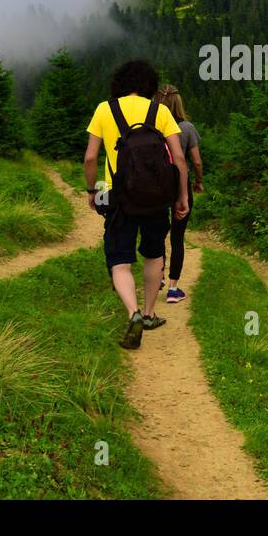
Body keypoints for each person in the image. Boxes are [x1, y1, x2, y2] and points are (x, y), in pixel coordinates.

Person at [84, 59, 190, 349]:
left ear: (118, 83)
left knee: (120, 260)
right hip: (156, 197)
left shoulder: (105, 109)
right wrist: (181, 197)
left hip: (118, 196)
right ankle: (149, 313)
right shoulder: (160, 111)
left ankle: (132, 313)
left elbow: (90, 158)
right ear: (149, 85)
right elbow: (179, 159)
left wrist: (93, 191)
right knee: (154, 254)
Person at [155, 85, 203, 303]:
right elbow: (196, 161)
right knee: (177, 237)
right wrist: (199, 182)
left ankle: (159, 277)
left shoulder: (152, 127)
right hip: (179, 185)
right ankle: (173, 289)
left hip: (156, 186)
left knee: (157, 233)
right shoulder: (187, 128)